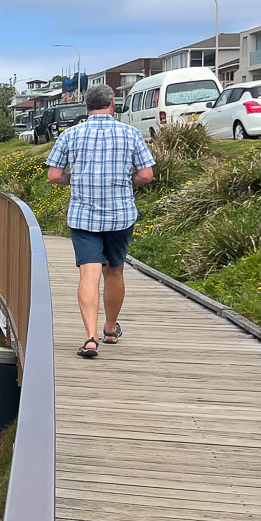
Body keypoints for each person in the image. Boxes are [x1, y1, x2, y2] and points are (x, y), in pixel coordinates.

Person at [46, 84, 154, 359]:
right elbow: (146, 174)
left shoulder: (71, 135)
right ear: (113, 105)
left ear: (86, 107)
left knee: (89, 273)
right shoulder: (130, 133)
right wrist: (126, 184)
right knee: (114, 271)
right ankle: (109, 329)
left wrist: (77, 180)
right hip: (120, 215)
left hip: (83, 216)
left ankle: (90, 338)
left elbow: (54, 175)